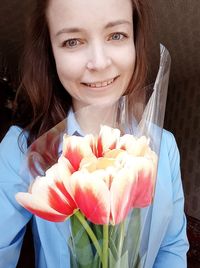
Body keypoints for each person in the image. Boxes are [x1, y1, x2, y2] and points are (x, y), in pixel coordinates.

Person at [0, 0, 189, 267]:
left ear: (134, 41)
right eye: (72, 41)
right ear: (50, 52)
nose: (99, 63)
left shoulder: (164, 146)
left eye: (116, 35)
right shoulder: (22, 149)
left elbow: (172, 246)